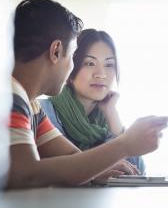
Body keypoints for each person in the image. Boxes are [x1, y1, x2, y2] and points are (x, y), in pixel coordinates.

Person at [8, 0, 168, 188]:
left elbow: (72, 157)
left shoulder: (31, 105)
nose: (101, 74)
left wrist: (98, 171)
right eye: (72, 56)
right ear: (56, 51)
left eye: (109, 65)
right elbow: (26, 174)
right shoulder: (9, 95)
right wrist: (125, 144)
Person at [41, 29, 146, 173]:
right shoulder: (43, 112)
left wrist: (112, 114)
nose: (101, 74)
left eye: (109, 65)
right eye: (90, 63)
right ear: (71, 68)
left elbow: (137, 171)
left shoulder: (105, 124)